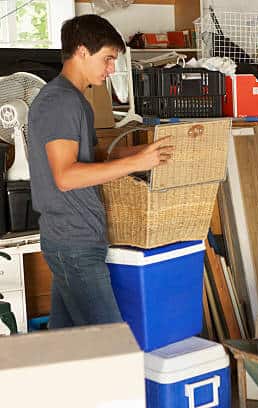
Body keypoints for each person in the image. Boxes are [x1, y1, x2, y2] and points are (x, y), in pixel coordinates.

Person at [27, 15, 173, 329]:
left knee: (69, 346)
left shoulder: (74, 100)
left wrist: (134, 153)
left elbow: (88, 158)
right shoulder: (61, 102)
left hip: (77, 239)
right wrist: (135, 165)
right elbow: (66, 176)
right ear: (81, 52)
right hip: (74, 244)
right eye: (107, 59)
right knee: (110, 345)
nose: (111, 70)